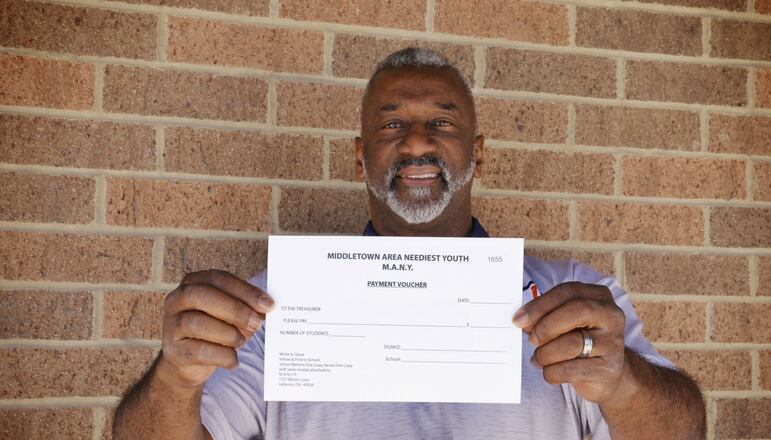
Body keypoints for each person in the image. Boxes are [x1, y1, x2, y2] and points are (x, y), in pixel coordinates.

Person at [113, 48, 705, 439]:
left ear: (478, 153)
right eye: (392, 124)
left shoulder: (573, 299)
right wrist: (175, 379)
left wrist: (621, 383)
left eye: (442, 123)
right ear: (360, 156)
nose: (417, 142)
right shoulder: (272, 307)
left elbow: (683, 433)